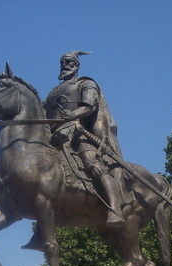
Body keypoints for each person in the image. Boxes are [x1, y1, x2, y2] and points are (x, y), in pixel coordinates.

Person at [44, 50, 126, 228]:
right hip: (54, 136)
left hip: (77, 132)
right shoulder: (53, 93)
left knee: (93, 165)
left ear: (77, 66)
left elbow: (89, 106)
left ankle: (115, 208)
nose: (65, 65)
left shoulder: (86, 83)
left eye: (69, 62)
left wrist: (73, 114)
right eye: (63, 62)